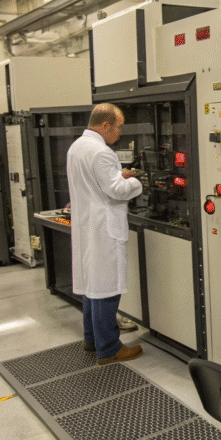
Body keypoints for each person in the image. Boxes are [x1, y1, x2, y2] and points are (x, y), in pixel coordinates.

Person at [67, 103, 145, 366]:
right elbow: (117, 191)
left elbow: (98, 181)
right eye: (119, 127)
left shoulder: (77, 147)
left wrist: (117, 175)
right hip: (104, 229)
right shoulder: (102, 152)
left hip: (87, 226)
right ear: (105, 125)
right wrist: (135, 181)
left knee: (92, 286)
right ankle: (110, 348)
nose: (120, 132)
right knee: (106, 288)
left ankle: (91, 339)